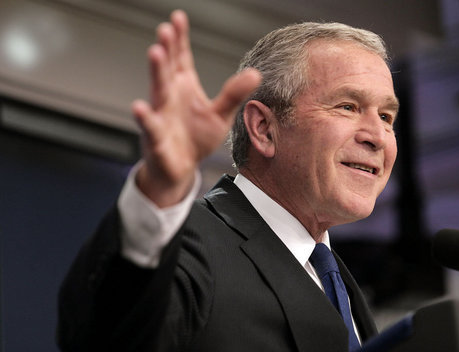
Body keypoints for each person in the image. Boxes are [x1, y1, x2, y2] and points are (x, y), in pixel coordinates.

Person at [57, 9, 399, 352]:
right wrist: (160, 189)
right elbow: (106, 337)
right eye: (347, 107)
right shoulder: (191, 245)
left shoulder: (338, 282)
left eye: (386, 116)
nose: (378, 136)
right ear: (264, 129)